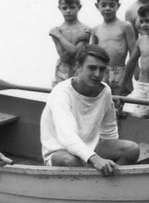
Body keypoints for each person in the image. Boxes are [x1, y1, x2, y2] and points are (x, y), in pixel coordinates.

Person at [40, 45, 140, 175]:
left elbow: (109, 131)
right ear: (78, 67)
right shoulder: (61, 93)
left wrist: (108, 157)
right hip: (60, 150)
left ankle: (107, 184)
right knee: (72, 161)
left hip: (90, 147)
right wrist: (95, 159)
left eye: (102, 69)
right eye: (92, 68)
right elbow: (67, 136)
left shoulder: (105, 92)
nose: (97, 74)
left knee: (131, 149)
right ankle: (89, 188)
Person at [89, 0, 135, 96]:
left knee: (118, 101)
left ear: (118, 6)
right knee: (101, 98)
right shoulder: (96, 30)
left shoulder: (125, 26)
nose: (108, 8)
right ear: (97, 6)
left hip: (120, 71)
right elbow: (92, 54)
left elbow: (133, 52)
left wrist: (135, 70)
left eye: (111, 5)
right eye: (104, 5)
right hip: (101, 71)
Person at [49, 0, 92, 86]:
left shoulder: (85, 29)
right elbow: (64, 57)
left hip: (79, 69)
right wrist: (60, 36)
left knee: (78, 95)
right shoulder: (57, 31)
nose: (68, 11)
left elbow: (76, 54)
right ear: (59, 8)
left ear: (79, 7)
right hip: (62, 70)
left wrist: (59, 36)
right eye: (64, 8)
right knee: (61, 96)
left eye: (72, 7)